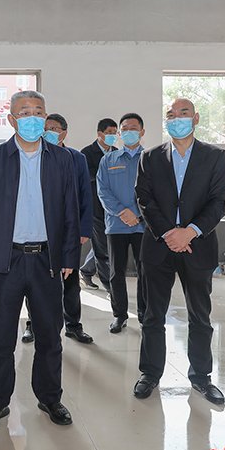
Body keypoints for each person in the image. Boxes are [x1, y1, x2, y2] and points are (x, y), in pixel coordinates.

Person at [0, 90, 80, 430]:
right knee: (0, 337)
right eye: (24, 112)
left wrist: (69, 256)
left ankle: (50, 398)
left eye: (38, 111)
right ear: (11, 119)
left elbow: (71, 211)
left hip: (47, 260)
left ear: (45, 117)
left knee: (49, 335)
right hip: (5, 261)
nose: (32, 118)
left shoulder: (61, 159)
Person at [134, 98, 225, 405]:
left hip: (197, 246)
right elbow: (144, 199)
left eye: (183, 113)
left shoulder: (214, 156)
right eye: (171, 114)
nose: (176, 118)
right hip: (158, 245)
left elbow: (218, 201)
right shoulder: (150, 157)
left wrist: (190, 231)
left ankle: (201, 376)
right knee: (152, 315)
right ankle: (150, 373)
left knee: (200, 315)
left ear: (195, 118)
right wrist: (168, 233)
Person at [21, 113, 94, 344]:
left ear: (64, 133)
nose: (48, 132)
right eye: (46, 128)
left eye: (53, 128)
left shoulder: (76, 158)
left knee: (71, 282)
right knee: (35, 281)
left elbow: (85, 195)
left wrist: (83, 230)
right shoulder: (34, 155)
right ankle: (32, 324)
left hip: (69, 231)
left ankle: (73, 325)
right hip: (40, 232)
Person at [96, 113, 146, 333]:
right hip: (116, 225)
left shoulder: (150, 159)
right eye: (124, 129)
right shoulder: (108, 160)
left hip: (144, 226)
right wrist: (122, 212)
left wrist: (138, 215)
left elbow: (157, 193)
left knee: (146, 271)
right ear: (119, 133)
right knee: (116, 272)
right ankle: (119, 315)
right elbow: (102, 191)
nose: (128, 132)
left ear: (142, 132)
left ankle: (145, 314)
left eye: (133, 128)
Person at [79, 119, 118, 291]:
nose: (112, 136)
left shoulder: (117, 152)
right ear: (99, 133)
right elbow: (86, 177)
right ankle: (109, 286)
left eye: (114, 133)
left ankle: (86, 271)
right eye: (109, 133)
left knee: (103, 243)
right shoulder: (87, 153)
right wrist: (107, 175)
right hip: (95, 206)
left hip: (113, 206)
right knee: (103, 247)